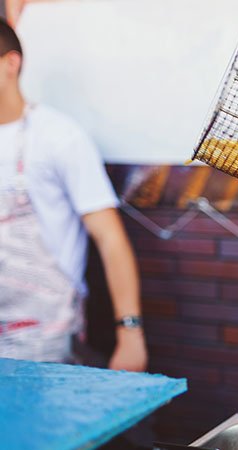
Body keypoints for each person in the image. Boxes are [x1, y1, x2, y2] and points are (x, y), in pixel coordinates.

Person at [0, 17, 147, 372]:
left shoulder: (59, 136)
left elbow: (109, 238)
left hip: (44, 335)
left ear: (10, 63)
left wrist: (130, 333)